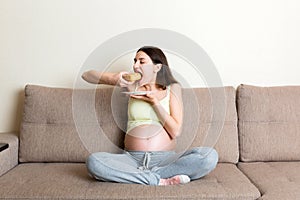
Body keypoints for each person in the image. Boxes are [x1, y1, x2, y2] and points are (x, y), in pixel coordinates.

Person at [82, 46, 218, 185]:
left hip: (166, 160)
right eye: (134, 61)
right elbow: (87, 75)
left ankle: (145, 177)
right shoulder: (131, 86)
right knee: (94, 162)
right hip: (131, 160)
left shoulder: (173, 88)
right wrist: (113, 78)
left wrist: (154, 102)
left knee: (209, 156)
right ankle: (157, 179)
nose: (135, 66)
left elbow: (175, 131)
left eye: (141, 62)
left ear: (157, 67)